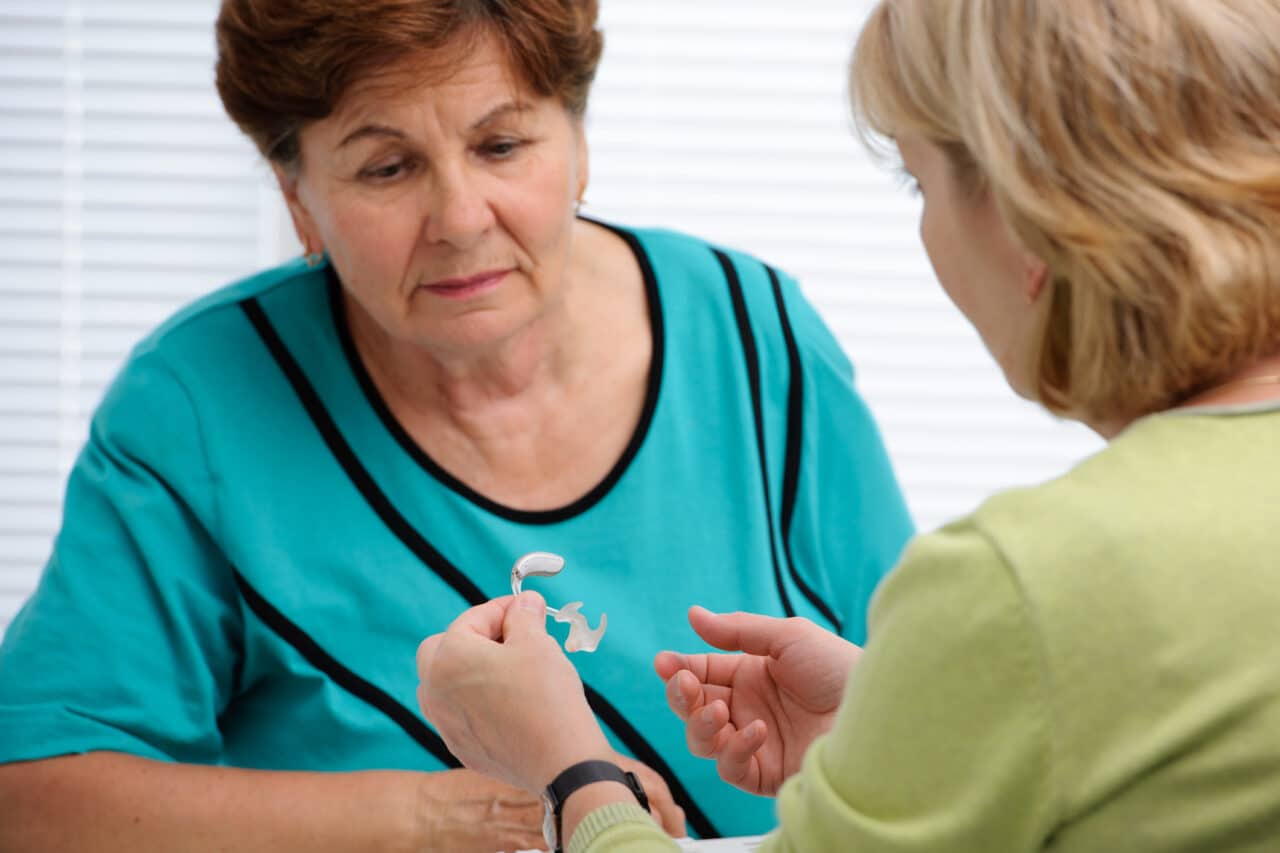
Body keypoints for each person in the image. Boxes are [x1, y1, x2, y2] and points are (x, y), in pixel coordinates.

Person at [0, 1, 913, 850]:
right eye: (387, 167)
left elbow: (929, 710)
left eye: (503, 144)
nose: (461, 219)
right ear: (296, 197)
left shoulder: (757, 335)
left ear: (580, 142)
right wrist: (463, 813)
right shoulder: (200, 402)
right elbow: (34, 795)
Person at [415, 0, 1280, 850]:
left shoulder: (1016, 581)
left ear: (1031, 217)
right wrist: (909, 721)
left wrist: (569, 771)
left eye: (918, 181)